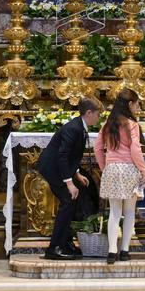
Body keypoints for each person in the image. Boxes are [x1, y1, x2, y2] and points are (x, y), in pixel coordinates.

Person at [35, 96, 103, 260]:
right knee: (68, 201)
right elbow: (62, 156)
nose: (99, 117)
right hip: (53, 169)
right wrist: (69, 182)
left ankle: (65, 243)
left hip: (60, 168)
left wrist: (77, 173)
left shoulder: (80, 125)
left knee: (71, 202)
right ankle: (55, 248)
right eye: (98, 114)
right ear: (89, 112)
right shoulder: (74, 128)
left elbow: (71, 155)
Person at [94, 89, 145, 264]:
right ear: (130, 104)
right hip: (129, 168)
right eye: (137, 103)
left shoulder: (107, 124)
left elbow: (97, 147)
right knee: (129, 211)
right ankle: (124, 250)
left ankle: (111, 251)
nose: (138, 106)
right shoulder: (131, 124)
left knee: (114, 212)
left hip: (112, 169)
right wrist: (143, 170)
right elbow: (135, 149)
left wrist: (105, 167)